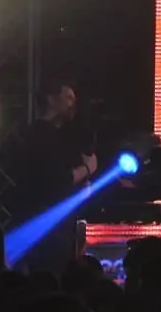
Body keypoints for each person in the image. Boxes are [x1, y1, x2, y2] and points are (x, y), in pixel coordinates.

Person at [12, 79, 97, 273]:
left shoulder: (60, 136)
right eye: (68, 98)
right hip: (45, 229)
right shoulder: (40, 134)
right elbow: (58, 180)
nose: (72, 104)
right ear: (52, 99)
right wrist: (87, 168)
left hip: (57, 226)